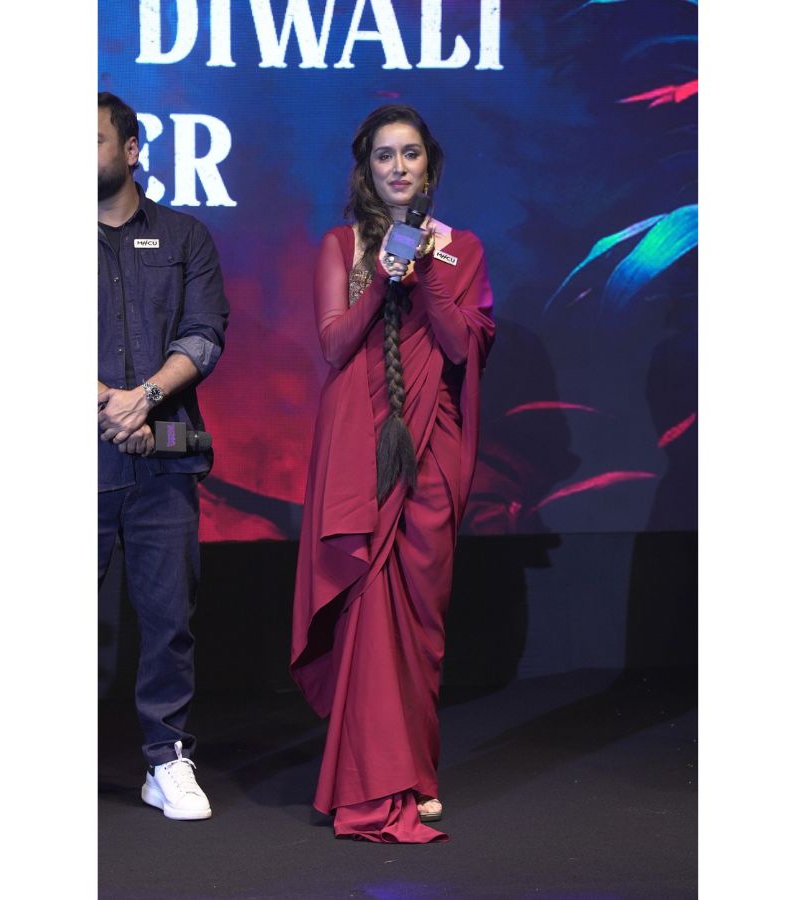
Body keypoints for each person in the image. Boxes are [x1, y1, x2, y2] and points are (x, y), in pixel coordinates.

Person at [290, 105, 496, 842]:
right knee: (368, 614)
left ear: (429, 166)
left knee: (423, 623)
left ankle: (420, 771)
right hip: (358, 450)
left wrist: (429, 275)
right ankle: (376, 775)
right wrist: (380, 277)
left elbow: (462, 346)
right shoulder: (339, 245)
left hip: (432, 448)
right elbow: (334, 346)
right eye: (384, 155)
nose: (398, 167)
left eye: (410, 153)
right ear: (366, 169)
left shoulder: (463, 248)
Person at [97, 91, 230, 820]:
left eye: (90, 140)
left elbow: (205, 334)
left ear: (130, 150)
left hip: (166, 454)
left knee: (168, 619)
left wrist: (144, 399)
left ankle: (166, 759)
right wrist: (112, 406)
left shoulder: (185, 237)